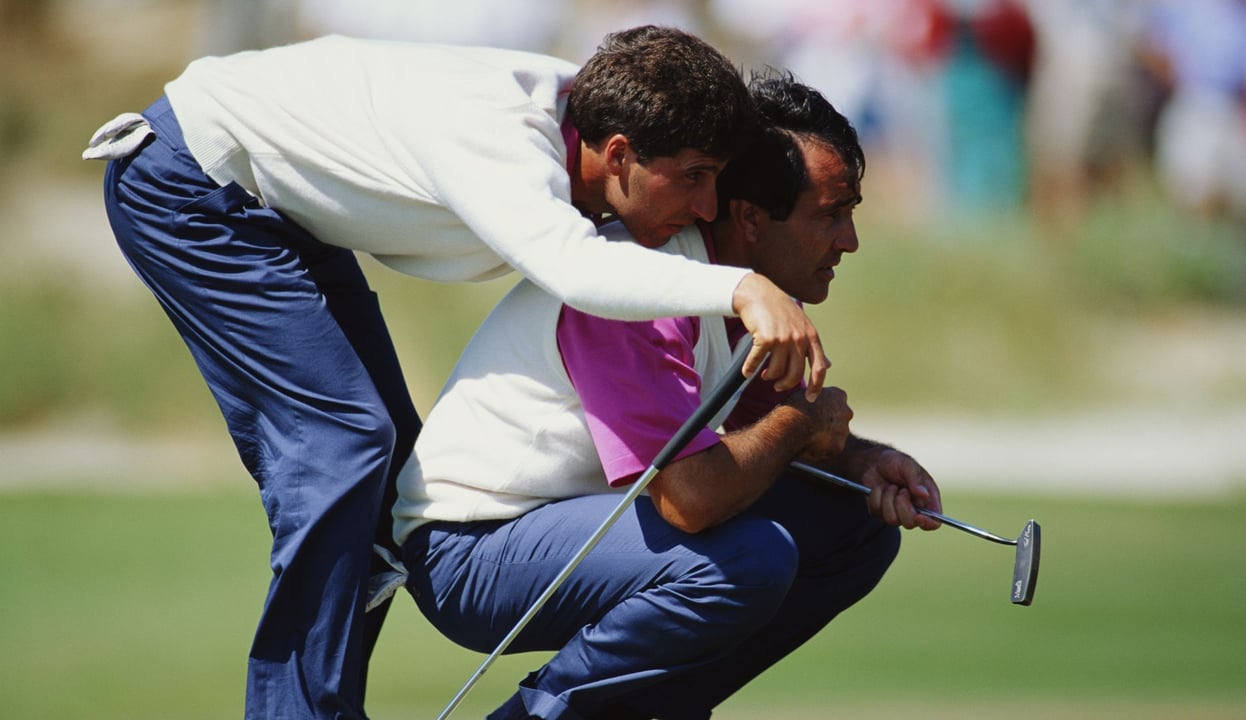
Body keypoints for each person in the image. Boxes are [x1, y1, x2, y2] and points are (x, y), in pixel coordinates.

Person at [84, 26, 831, 720]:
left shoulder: (601, 128)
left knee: (374, 473)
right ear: (618, 155)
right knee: (344, 447)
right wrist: (742, 287)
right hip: (188, 184)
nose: (705, 205)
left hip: (267, 206)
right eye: (695, 177)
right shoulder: (502, 141)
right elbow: (576, 271)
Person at [393, 69, 944, 720]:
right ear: (748, 218)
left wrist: (858, 460)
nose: (849, 240)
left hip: (575, 526)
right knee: (745, 559)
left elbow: (760, 442)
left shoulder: (758, 296)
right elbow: (690, 499)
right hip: (471, 549)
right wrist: (801, 421)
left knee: (853, 527)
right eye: (830, 214)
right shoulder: (644, 286)